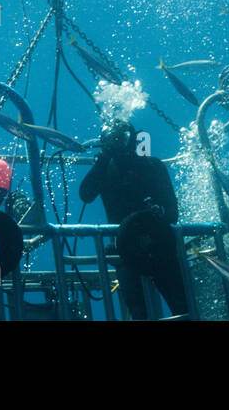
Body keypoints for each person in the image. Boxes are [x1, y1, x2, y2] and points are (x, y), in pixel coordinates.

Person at [79, 119, 189, 319]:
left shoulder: (152, 166)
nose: (117, 144)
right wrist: (103, 160)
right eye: (111, 140)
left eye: (121, 138)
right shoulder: (104, 170)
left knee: (182, 308)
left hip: (159, 246)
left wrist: (160, 214)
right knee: (141, 313)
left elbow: (173, 212)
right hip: (125, 249)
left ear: (133, 139)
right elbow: (86, 194)